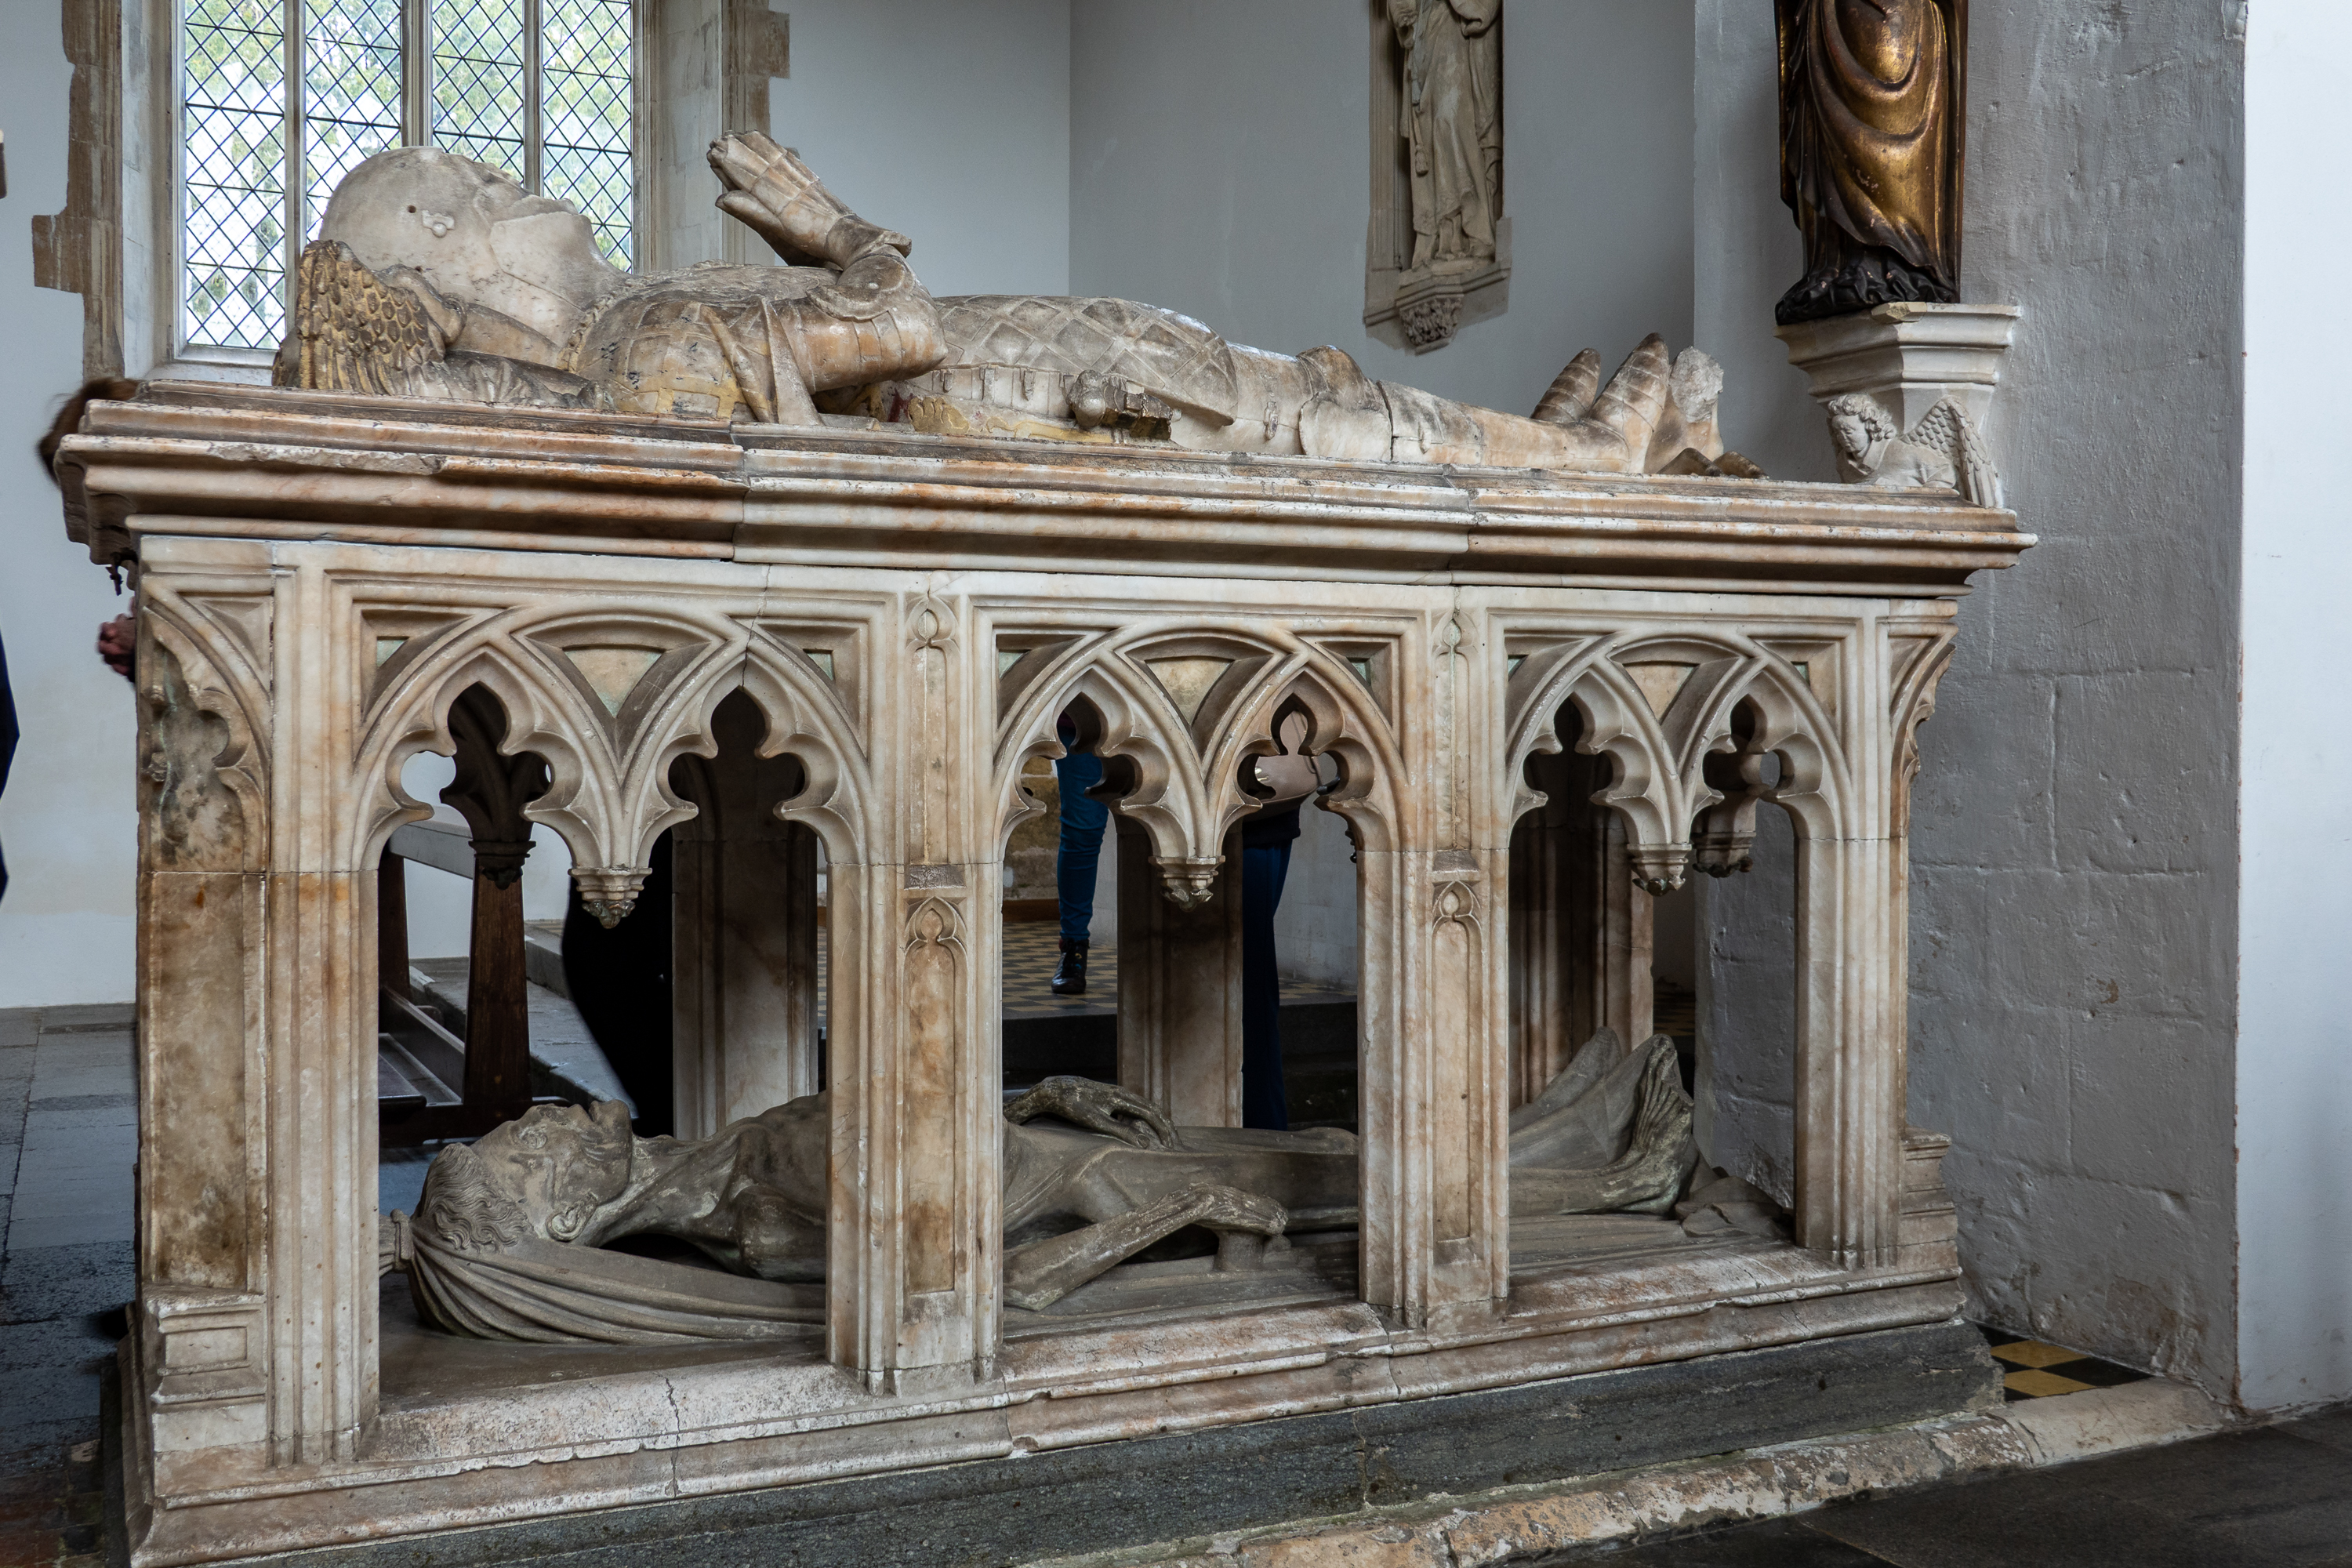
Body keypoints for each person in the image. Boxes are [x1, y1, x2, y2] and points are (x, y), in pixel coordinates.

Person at [283, 136, 1727, 475]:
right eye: (473, 182)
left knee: (1306, 405)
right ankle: (1581, 464)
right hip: (1032, 387)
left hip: (1037, 371)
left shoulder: (627, 338)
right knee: (1303, 415)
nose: (508, 177)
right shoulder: (643, 336)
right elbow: (898, 329)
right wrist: (827, 225)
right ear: (441, 250)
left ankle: (1551, 454)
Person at [384, 1032, 1702, 1344]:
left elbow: (923, 1129)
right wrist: (1171, 1214)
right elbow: (997, 1287)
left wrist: (1034, 1098)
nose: (548, 1116)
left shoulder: (715, 1160)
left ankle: (1569, 1140)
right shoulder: (762, 1222)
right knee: (1344, 1179)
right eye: (537, 1150)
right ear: (569, 1217)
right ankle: (1615, 1180)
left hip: (1068, 1148)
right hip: (1099, 1193)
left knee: (1334, 1150)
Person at [1049, 709, 1106, 995]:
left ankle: (1164, 942)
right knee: (1082, 832)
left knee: (1162, 823)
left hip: (1160, 712)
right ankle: (1074, 945)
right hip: (1081, 718)